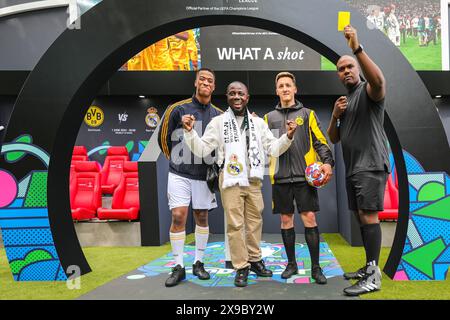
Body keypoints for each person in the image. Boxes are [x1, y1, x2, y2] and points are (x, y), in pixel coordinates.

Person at [182, 81, 297, 287]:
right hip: (230, 179)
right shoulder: (218, 122)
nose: (237, 97)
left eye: (240, 93)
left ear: (247, 97)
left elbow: (273, 148)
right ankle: (241, 266)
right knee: (235, 225)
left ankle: (254, 259)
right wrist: (190, 132)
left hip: (253, 179)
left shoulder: (258, 123)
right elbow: (202, 149)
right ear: (227, 97)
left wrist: (288, 137)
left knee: (254, 223)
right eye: (232, 93)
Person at [327, 25, 389, 296]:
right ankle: (368, 268)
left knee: (369, 217)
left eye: (350, 66)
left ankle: (374, 278)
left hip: (371, 164)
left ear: (358, 68)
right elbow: (334, 138)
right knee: (363, 219)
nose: (346, 71)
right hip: (354, 169)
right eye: (341, 69)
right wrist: (334, 115)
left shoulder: (368, 91)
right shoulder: (346, 100)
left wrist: (357, 48)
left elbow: (380, 82)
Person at [264, 72, 334, 285]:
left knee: (309, 218)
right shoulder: (269, 118)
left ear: (295, 89)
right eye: (281, 86)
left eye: (288, 85)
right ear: (277, 91)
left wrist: (327, 162)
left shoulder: (308, 114)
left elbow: (321, 142)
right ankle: (291, 264)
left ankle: (316, 267)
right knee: (286, 221)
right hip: (280, 178)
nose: (285, 89)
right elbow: (266, 147)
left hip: (305, 178)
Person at [157, 68, 223, 287]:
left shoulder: (219, 115)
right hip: (179, 174)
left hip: (204, 176)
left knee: (202, 217)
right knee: (178, 216)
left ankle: (198, 262)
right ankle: (178, 266)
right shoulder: (178, 109)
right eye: (202, 79)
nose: (205, 82)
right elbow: (163, 139)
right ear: (196, 82)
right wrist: (176, 162)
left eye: (210, 81)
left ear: (214, 87)